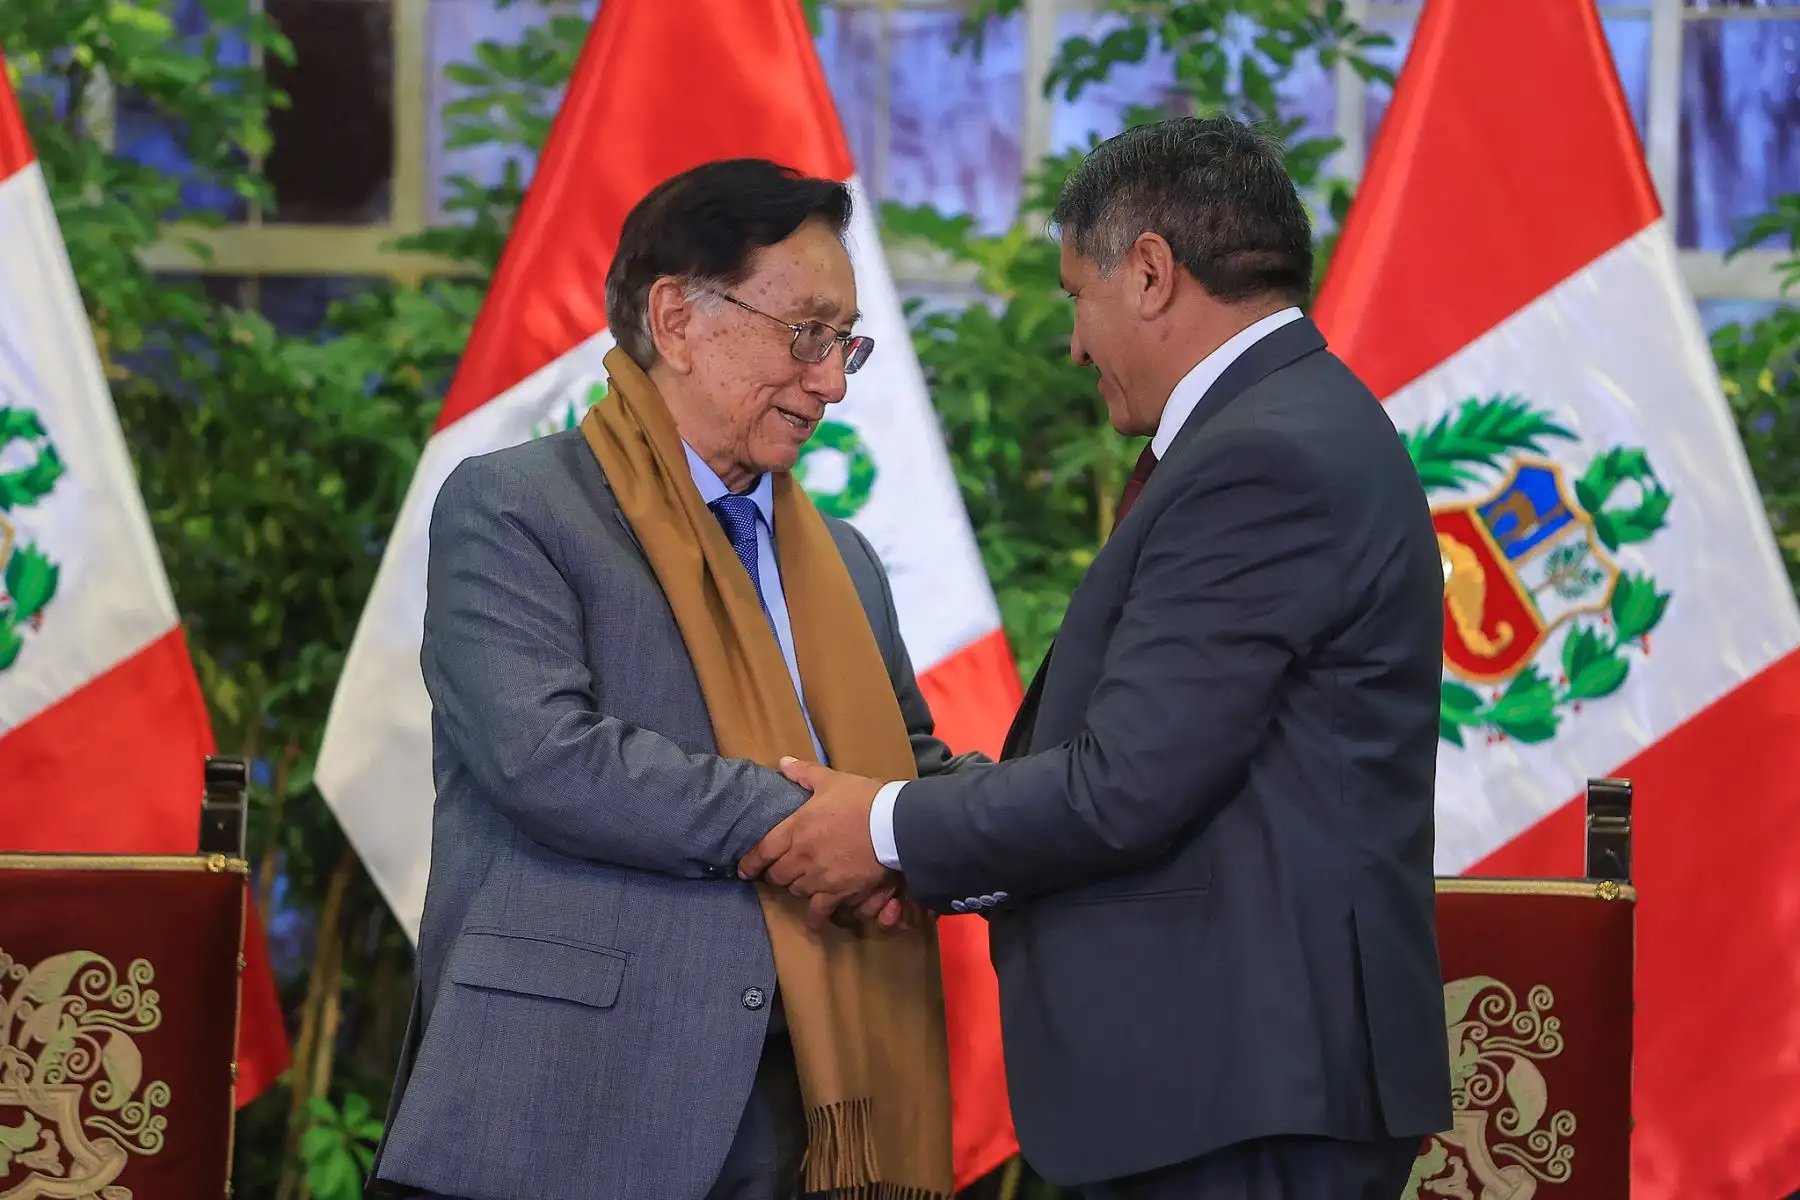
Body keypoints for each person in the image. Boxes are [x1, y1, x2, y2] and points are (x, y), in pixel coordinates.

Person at [741, 116, 1454, 1199]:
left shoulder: (1265, 456)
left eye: (1079, 295)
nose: (1074, 343)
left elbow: (1127, 786)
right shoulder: (1285, 428)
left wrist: (880, 828)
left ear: (1154, 273)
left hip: (1243, 1093)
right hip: (1240, 1084)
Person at [367, 158, 970, 1200]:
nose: (830, 380)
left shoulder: (847, 563)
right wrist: (832, 822)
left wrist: (1023, 817)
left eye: (845, 344)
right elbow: (548, 759)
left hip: (797, 1117)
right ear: (678, 318)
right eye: (806, 333)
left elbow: (901, 768)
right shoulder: (516, 508)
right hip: (560, 1106)